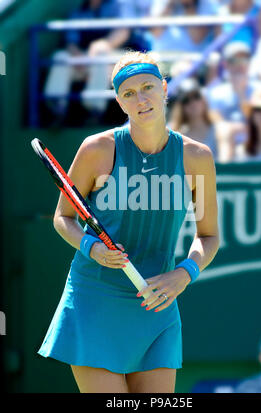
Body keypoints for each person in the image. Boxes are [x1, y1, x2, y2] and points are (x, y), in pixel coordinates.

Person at [37, 51, 219, 393]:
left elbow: (208, 237)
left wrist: (184, 274)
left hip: (157, 305)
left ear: (164, 88)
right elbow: (63, 217)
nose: (141, 99)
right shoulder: (97, 149)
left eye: (148, 87)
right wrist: (92, 248)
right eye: (129, 93)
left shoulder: (197, 157)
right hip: (95, 298)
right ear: (120, 103)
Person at [169, 78, 218, 158]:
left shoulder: (218, 130)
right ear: (181, 107)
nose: (193, 103)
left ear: (203, 99)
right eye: (186, 100)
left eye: (196, 96)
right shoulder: (175, 137)